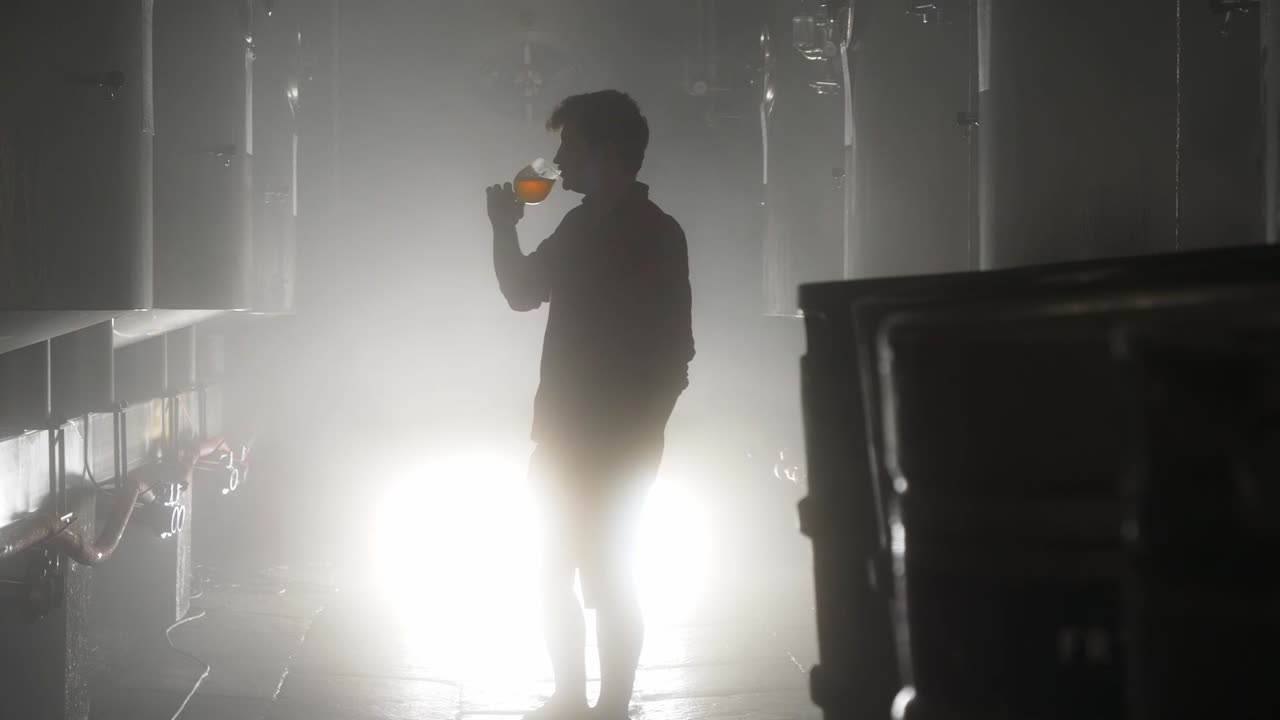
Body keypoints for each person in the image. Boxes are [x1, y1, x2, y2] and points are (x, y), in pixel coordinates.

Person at [485, 90, 694, 720]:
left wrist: (638, 430)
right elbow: (523, 293)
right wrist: (503, 229)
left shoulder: (657, 235)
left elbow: (674, 351)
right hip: (563, 433)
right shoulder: (577, 227)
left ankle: (610, 705)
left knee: (607, 576)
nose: (554, 162)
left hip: (617, 440)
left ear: (606, 154)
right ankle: (574, 697)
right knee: (552, 568)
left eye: (567, 147)